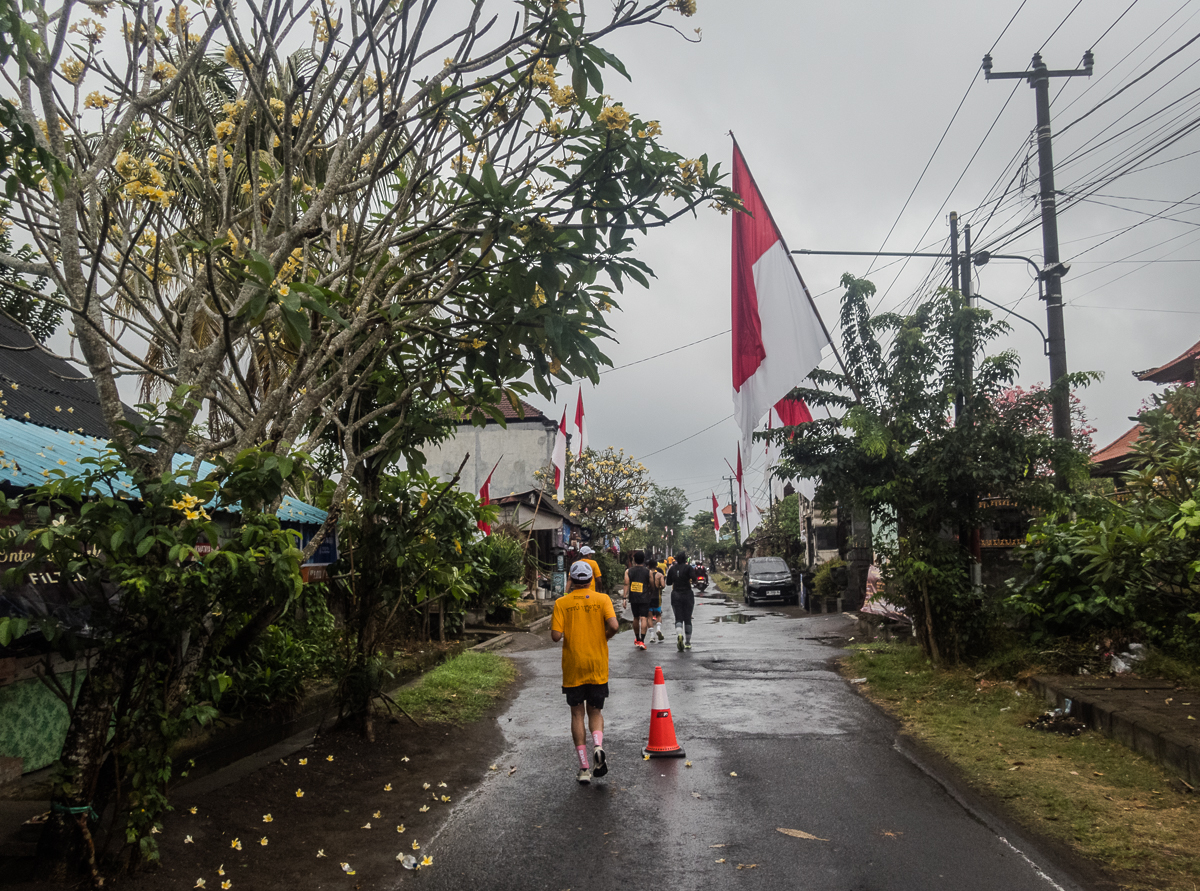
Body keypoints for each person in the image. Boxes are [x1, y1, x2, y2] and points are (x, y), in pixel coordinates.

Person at [551, 561, 618, 784]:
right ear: (590, 580)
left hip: (573, 667)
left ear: (571, 579)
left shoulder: (562, 603)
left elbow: (555, 636)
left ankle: (584, 768)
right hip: (597, 666)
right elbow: (615, 625)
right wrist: (605, 636)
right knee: (596, 712)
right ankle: (598, 746)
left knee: (577, 714)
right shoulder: (602, 599)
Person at [623, 550, 654, 650]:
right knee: (644, 617)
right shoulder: (648, 571)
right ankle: (642, 640)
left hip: (633, 597)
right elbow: (652, 584)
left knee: (636, 617)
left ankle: (637, 638)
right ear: (644, 560)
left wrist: (624, 598)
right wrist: (650, 591)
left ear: (634, 560)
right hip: (645, 597)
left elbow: (626, 584)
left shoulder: (628, 571)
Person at [665, 551, 695, 651]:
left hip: (676, 595)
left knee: (678, 617)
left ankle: (679, 634)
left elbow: (668, 583)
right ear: (685, 559)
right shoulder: (688, 568)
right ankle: (687, 642)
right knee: (687, 619)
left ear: (676, 559)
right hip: (687, 594)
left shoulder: (672, 569)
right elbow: (694, 579)